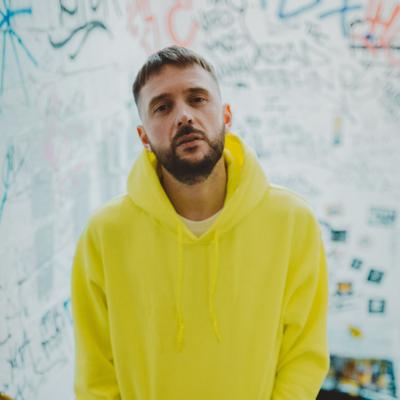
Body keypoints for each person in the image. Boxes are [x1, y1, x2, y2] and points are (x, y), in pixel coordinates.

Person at [71, 45, 330, 399]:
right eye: (163, 107)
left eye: (197, 99)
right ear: (143, 136)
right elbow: (96, 376)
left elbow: (303, 354)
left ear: (226, 115)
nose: (184, 116)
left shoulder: (291, 222)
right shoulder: (105, 235)